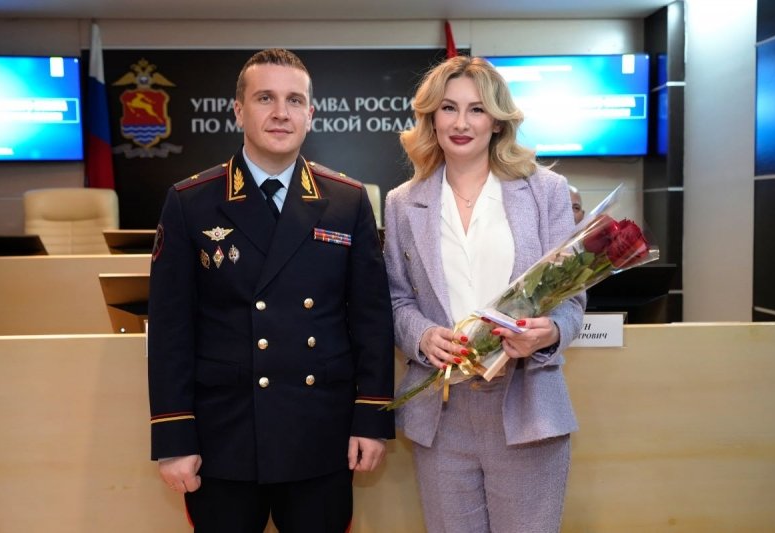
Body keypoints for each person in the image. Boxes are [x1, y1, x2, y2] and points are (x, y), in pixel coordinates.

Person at [147, 48, 395, 533]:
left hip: (319, 432)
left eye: (294, 100)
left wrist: (371, 418)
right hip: (224, 435)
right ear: (238, 110)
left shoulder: (346, 201)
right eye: (265, 98)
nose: (281, 112)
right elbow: (171, 329)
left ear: (310, 114)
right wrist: (174, 435)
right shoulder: (191, 202)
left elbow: (371, 319)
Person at [383, 56, 585, 533]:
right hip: (442, 412)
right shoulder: (402, 202)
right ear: (431, 117)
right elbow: (396, 300)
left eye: (476, 109)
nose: (461, 123)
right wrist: (422, 336)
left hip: (527, 408)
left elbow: (572, 300)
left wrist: (547, 334)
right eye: (448, 108)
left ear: (497, 121)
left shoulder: (546, 191)